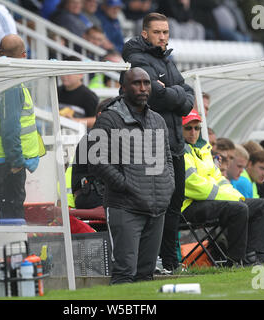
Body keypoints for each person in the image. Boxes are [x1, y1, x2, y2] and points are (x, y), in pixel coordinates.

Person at [122, 12, 195, 273]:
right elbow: (153, 95)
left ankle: (171, 262)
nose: (163, 37)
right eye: (157, 32)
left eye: (165, 32)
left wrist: (171, 92)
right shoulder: (138, 58)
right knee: (157, 206)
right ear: (145, 34)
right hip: (153, 146)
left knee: (175, 204)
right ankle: (153, 262)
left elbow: (189, 96)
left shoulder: (167, 58)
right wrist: (174, 94)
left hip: (175, 144)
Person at [88, 67, 175, 284]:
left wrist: (168, 184)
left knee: (146, 275)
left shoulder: (157, 120)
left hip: (156, 208)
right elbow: (96, 160)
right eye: (137, 83)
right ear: (123, 88)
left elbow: (167, 158)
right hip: (125, 207)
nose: (143, 88)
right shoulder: (109, 119)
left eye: (146, 83)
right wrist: (124, 184)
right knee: (124, 274)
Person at [181, 110, 264, 266]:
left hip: (208, 201)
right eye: (188, 128)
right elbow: (195, 186)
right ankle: (234, 262)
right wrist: (234, 199)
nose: (193, 132)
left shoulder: (203, 150)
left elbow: (219, 180)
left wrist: (237, 196)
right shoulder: (181, 151)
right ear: (179, 129)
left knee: (262, 205)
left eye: (197, 128)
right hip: (188, 206)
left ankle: (255, 257)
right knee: (238, 208)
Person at [0, 34, 44, 219]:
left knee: (6, 215)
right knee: (13, 218)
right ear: (23, 55)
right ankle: (15, 249)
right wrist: (16, 162)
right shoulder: (10, 84)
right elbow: (10, 128)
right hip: (7, 163)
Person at [58, 55, 100, 128]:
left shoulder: (89, 96)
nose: (64, 75)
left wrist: (73, 121)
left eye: (69, 72)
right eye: (62, 71)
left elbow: (97, 120)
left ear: (81, 74)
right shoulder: (57, 91)